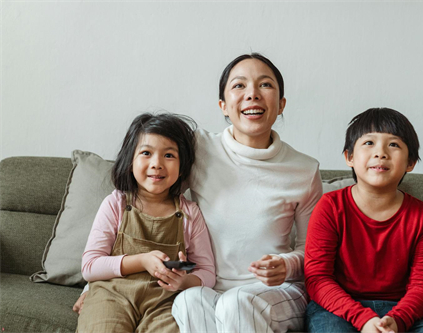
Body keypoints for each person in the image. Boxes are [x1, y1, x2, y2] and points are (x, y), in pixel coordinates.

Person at [74, 53, 322, 332]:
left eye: (265, 85)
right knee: (186, 302)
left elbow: (314, 253)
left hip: (277, 290)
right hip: (210, 288)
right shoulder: (199, 149)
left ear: (281, 105)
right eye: (239, 86)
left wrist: (286, 265)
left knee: (237, 303)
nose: (252, 94)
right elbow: (147, 196)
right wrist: (95, 286)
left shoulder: (304, 170)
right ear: (223, 106)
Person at [304, 108, 423, 333]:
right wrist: (362, 318)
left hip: (400, 310)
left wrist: (397, 319)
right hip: (337, 308)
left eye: (393, 145)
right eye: (369, 143)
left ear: (410, 162)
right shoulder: (330, 207)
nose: (380, 153)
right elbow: (317, 277)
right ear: (349, 157)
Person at [76, 113, 216, 333]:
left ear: (182, 167)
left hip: (166, 302)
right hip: (111, 295)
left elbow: (208, 273)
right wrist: (142, 261)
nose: (157, 164)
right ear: (130, 160)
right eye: (146, 153)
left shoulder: (190, 213)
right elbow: (90, 266)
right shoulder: (116, 203)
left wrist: (184, 281)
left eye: (169, 155)